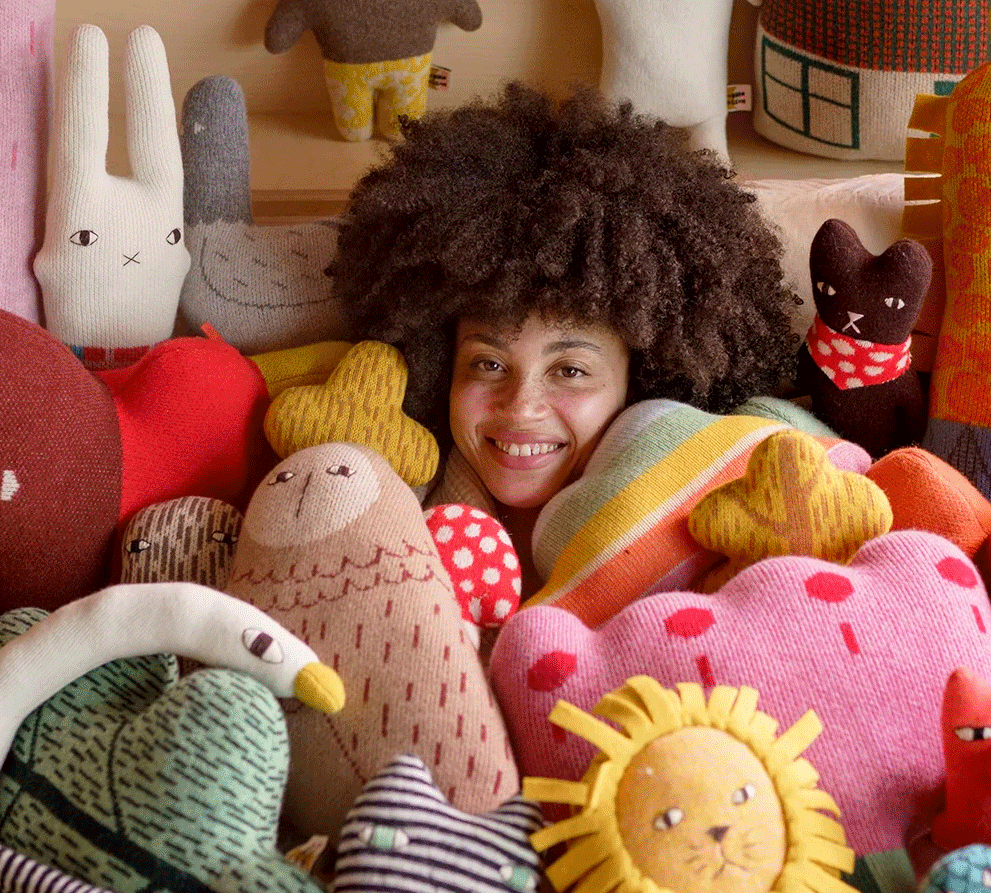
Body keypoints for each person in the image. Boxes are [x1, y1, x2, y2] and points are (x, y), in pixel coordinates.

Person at [330, 82, 799, 590]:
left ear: (642, 381)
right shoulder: (370, 503)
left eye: (570, 371)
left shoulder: (725, 520)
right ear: (439, 363)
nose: (521, 406)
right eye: (488, 363)